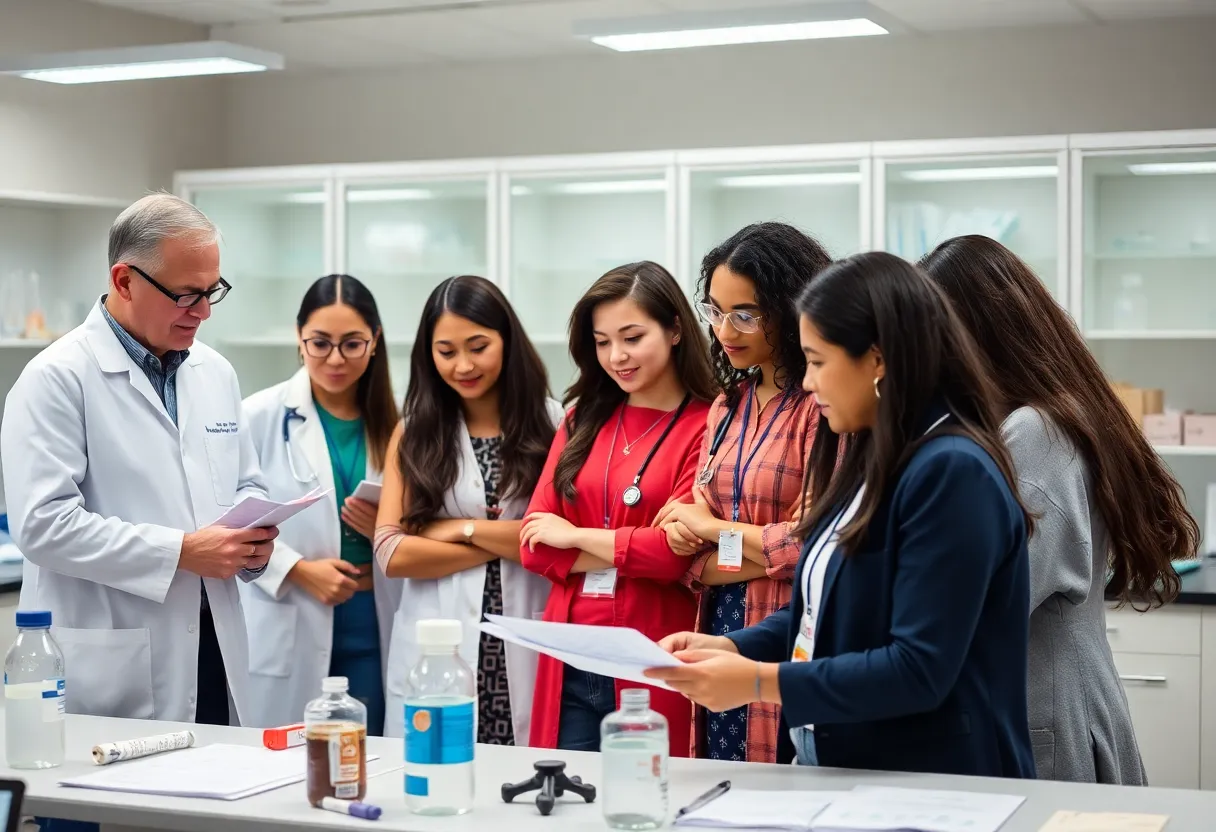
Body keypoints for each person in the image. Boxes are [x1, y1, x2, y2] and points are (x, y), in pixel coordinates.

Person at [647, 251, 1036, 779]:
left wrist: (761, 681)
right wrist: (731, 645)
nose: (807, 383)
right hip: (847, 768)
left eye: (818, 361)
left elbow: (919, 667)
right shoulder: (871, 456)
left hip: (935, 780)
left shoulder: (952, 472)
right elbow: (826, 611)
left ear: (877, 360)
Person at [0, 197, 276, 832]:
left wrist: (255, 537)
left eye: (214, 291)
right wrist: (181, 550)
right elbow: (42, 524)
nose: (203, 311)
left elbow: (244, 481)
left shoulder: (215, 372)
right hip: (114, 673)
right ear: (124, 280)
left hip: (211, 651)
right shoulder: (56, 378)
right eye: (187, 295)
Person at [920, 235, 1201, 784]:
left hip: (1045, 715)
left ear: (981, 334)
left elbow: (990, 596)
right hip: (1042, 703)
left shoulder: (1034, 432)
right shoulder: (1039, 416)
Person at [520, 261, 717, 756]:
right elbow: (533, 547)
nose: (616, 356)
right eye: (602, 341)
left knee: (647, 801)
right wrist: (627, 548)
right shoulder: (581, 418)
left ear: (674, 329)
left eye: (632, 337)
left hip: (652, 650)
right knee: (566, 804)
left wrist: (575, 537)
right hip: (570, 653)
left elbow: (674, 557)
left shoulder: (708, 423)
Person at [651, 222, 828, 763]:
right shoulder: (728, 406)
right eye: (716, 310)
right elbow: (679, 539)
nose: (726, 329)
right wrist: (743, 545)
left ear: (790, 308)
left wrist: (711, 531)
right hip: (718, 618)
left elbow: (810, 548)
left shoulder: (821, 406)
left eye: (745, 314)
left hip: (785, 631)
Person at [373, 275, 561, 742]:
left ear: (507, 341)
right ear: (427, 353)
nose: (463, 365)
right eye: (446, 351)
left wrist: (458, 529)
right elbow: (392, 554)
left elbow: (560, 540)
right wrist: (504, 540)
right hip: (439, 641)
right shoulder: (413, 432)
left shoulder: (555, 424)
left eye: (478, 346)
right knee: (440, 773)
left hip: (523, 635)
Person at [240, 274, 402, 735]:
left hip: (372, 619)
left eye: (352, 344)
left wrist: (388, 535)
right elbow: (224, 521)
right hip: (291, 610)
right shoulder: (258, 416)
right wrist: (296, 570)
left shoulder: (401, 422)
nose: (335, 359)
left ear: (375, 342)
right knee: (285, 770)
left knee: (369, 758)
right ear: (299, 338)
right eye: (320, 343)